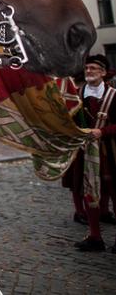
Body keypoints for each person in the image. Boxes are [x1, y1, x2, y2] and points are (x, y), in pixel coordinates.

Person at [64, 55, 116, 252]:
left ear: (103, 72)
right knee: (88, 192)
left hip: (110, 152)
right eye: (87, 68)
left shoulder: (113, 95)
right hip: (85, 153)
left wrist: (103, 131)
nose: (89, 71)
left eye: (94, 68)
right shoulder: (77, 96)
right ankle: (95, 237)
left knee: (113, 191)